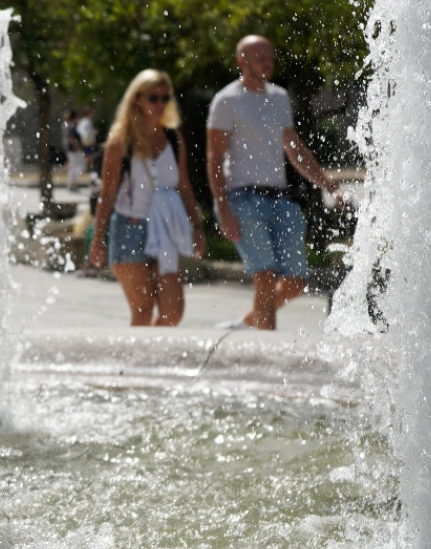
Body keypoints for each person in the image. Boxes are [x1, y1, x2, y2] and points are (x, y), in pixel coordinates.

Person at [207, 35, 341, 331]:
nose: (269, 63)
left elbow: (294, 148)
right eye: (261, 58)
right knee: (265, 278)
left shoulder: (279, 97)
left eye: (270, 57)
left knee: (295, 281)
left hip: (281, 199)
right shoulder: (226, 101)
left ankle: (245, 325)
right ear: (242, 62)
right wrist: (223, 208)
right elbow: (214, 158)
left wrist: (325, 181)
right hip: (243, 200)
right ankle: (265, 352)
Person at [88, 69, 207, 326]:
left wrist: (197, 227)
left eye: (165, 98)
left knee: (173, 312)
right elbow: (107, 194)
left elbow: (184, 185)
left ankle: (148, 356)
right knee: (142, 311)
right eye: (153, 97)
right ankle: (137, 363)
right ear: (137, 100)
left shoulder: (174, 139)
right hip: (130, 226)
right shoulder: (120, 142)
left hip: (165, 228)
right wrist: (98, 239)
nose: (160, 104)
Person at [62, 109, 86, 191]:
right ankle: (71, 184)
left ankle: (72, 183)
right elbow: (72, 139)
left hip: (72, 150)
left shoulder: (69, 126)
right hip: (74, 150)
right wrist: (78, 147)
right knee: (76, 166)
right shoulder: (71, 126)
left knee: (74, 166)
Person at [77, 106, 99, 184]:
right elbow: (84, 132)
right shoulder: (87, 121)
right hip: (88, 143)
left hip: (87, 143)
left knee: (90, 159)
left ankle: (92, 174)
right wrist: (88, 140)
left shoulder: (83, 121)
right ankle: (92, 174)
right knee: (90, 159)